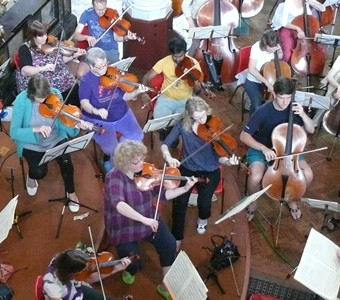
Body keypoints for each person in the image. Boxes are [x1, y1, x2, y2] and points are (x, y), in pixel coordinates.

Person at [104, 140, 197, 300]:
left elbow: (162, 195)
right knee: (133, 262)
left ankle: (165, 286)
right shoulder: (114, 177)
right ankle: (131, 270)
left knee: (169, 245)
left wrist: (184, 189)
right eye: (137, 161)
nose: (142, 163)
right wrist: (145, 220)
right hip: (125, 226)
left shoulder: (146, 170)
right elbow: (119, 205)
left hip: (149, 217)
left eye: (142, 158)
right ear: (124, 163)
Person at [160, 97, 238, 247]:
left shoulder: (214, 122)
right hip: (188, 167)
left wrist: (228, 161)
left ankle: (203, 218)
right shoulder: (183, 125)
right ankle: (177, 236)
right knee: (180, 201)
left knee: (204, 202)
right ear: (189, 116)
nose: (203, 120)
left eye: (203, 115)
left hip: (210, 169)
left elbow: (219, 155)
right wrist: (168, 157)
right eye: (197, 117)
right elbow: (165, 144)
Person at [10, 74, 93, 212]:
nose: (43, 101)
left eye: (45, 97)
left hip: (54, 137)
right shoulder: (21, 101)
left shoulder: (55, 95)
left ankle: (71, 193)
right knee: (39, 172)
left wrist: (76, 125)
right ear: (30, 94)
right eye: (38, 99)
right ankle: (31, 176)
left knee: (67, 164)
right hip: (32, 141)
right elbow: (14, 132)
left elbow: (62, 122)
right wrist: (37, 129)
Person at [240, 77, 315, 220]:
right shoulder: (262, 111)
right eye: (281, 98)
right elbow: (244, 136)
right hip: (262, 148)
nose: (285, 102)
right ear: (274, 94)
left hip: (289, 150)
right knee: (255, 176)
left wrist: (303, 114)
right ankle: (252, 202)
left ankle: (293, 198)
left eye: (288, 98)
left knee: (308, 175)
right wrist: (263, 148)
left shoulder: (294, 109)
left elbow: (310, 129)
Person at [78, 47, 145, 172]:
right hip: (99, 119)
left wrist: (136, 92)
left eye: (105, 64)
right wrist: (96, 111)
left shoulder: (113, 73)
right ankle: (114, 166)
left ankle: (124, 153)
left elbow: (125, 96)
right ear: (91, 67)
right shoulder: (86, 81)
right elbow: (84, 103)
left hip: (121, 112)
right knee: (112, 149)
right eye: (100, 66)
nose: (104, 68)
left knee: (137, 136)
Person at [16, 20, 85, 107]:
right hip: (44, 83)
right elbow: (25, 70)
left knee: (74, 88)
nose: (45, 37)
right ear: (33, 37)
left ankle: (74, 112)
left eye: (45, 34)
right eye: (41, 36)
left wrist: (75, 55)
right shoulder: (25, 49)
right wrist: (44, 68)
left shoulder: (48, 43)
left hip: (64, 78)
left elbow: (61, 60)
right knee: (67, 90)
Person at [143, 37, 202, 119]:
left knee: (182, 123)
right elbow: (146, 77)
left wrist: (197, 87)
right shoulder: (164, 62)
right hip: (166, 98)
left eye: (180, 56)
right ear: (171, 53)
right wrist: (144, 93)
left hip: (185, 100)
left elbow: (198, 92)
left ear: (185, 52)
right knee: (159, 122)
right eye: (174, 56)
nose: (178, 60)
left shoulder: (194, 65)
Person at [42, 249, 131, 300]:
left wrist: (114, 269)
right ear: (72, 274)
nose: (90, 268)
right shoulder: (52, 288)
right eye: (84, 270)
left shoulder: (64, 258)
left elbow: (89, 278)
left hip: (77, 290)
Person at [73, 0, 137, 63]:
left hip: (111, 50)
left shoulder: (111, 14)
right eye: (98, 10)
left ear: (106, 4)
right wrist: (86, 37)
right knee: (90, 69)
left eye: (103, 9)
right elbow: (76, 35)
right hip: (95, 50)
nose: (101, 12)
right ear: (93, 6)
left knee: (114, 71)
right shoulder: (87, 14)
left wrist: (126, 38)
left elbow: (116, 38)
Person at [243, 29, 282, 114]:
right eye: (271, 47)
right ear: (265, 44)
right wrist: (267, 83)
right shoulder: (256, 48)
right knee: (257, 106)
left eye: (276, 46)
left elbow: (279, 58)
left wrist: (280, 52)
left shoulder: (276, 46)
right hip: (254, 81)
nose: (274, 49)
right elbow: (251, 69)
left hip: (270, 79)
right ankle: (253, 124)